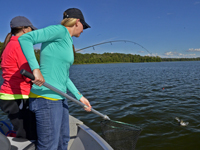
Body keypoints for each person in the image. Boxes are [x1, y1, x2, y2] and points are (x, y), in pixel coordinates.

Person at [18, 8, 92, 150]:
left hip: (60, 98)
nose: (84, 30)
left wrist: (79, 97)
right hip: (46, 99)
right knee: (49, 146)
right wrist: (36, 69)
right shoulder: (60, 30)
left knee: (63, 141)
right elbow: (25, 38)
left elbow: (64, 76)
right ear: (77, 22)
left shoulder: (68, 41)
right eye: (84, 26)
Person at [0, 16, 37, 140]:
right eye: (32, 30)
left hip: (9, 96)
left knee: (23, 131)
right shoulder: (21, 46)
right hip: (18, 96)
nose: (33, 33)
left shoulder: (10, 45)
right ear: (25, 30)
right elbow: (28, 75)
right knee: (27, 134)